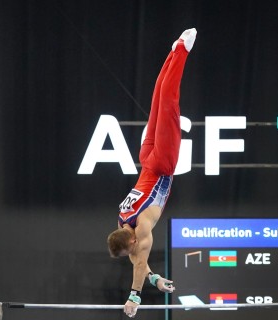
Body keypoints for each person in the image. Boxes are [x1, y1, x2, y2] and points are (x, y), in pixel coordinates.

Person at [107, 28, 197, 318]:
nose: (133, 254)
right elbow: (138, 259)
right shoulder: (123, 220)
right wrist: (155, 277)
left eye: (130, 251)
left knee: (168, 105)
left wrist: (134, 296)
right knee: (157, 102)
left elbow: (137, 261)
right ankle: (172, 52)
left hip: (161, 165)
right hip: (145, 158)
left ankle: (182, 49)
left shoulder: (142, 228)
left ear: (130, 241)